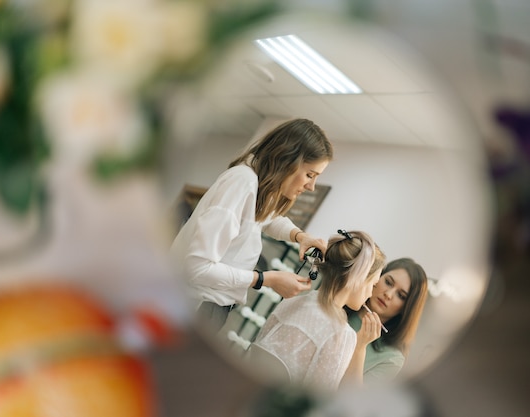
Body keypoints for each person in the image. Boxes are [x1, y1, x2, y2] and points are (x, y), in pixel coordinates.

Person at [170, 118, 334, 332]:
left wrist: (300, 236)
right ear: (287, 160)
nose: (311, 186)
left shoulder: (255, 184)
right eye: (309, 175)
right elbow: (197, 268)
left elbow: (267, 219)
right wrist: (266, 279)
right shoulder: (243, 183)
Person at [246, 229, 387, 392]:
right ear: (358, 278)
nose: (370, 293)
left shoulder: (294, 301)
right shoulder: (342, 335)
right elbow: (319, 398)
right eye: (373, 285)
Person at [342, 257, 429, 385]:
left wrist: (360, 347)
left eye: (401, 296)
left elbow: (350, 397)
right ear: (378, 277)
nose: (388, 294)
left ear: (406, 308)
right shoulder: (342, 303)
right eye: (388, 282)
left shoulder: (392, 358)